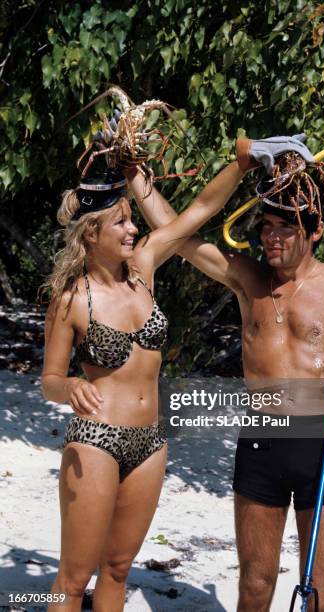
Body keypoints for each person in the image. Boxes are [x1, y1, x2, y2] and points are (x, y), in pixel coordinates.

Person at [127, 136, 324, 612]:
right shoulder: (247, 279)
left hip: (323, 447)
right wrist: (135, 179)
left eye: (284, 228)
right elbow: (176, 234)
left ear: (314, 231)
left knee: (320, 591)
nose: (271, 237)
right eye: (267, 226)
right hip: (262, 439)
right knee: (254, 585)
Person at [41, 158, 250, 611]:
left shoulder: (145, 268)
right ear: (92, 234)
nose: (133, 229)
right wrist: (70, 386)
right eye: (121, 222)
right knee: (73, 579)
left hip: (150, 444)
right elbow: (49, 380)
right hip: (96, 440)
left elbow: (199, 210)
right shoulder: (72, 298)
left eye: (133, 219)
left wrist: (241, 163)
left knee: (117, 569)